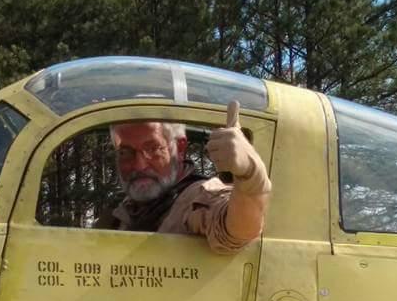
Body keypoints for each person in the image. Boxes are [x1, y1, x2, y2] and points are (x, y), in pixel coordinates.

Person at [101, 101, 271, 254]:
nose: (139, 165)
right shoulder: (121, 211)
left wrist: (250, 175)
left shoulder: (197, 198)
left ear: (180, 148)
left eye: (153, 148)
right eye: (125, 152)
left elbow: (237, 231)